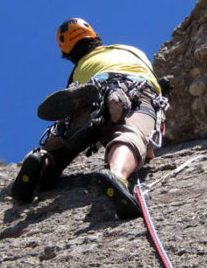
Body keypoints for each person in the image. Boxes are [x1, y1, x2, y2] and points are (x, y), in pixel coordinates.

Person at [10, 18, 170, 219]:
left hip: (92, 88)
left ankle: (41, 160)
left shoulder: (78, 70)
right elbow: (149, 153)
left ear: (68, 53)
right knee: (131, 134)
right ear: (96, 38)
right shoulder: (130, 50)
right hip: (133, 85)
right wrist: (147, 150)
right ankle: (117, 175)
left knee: (67, 138)